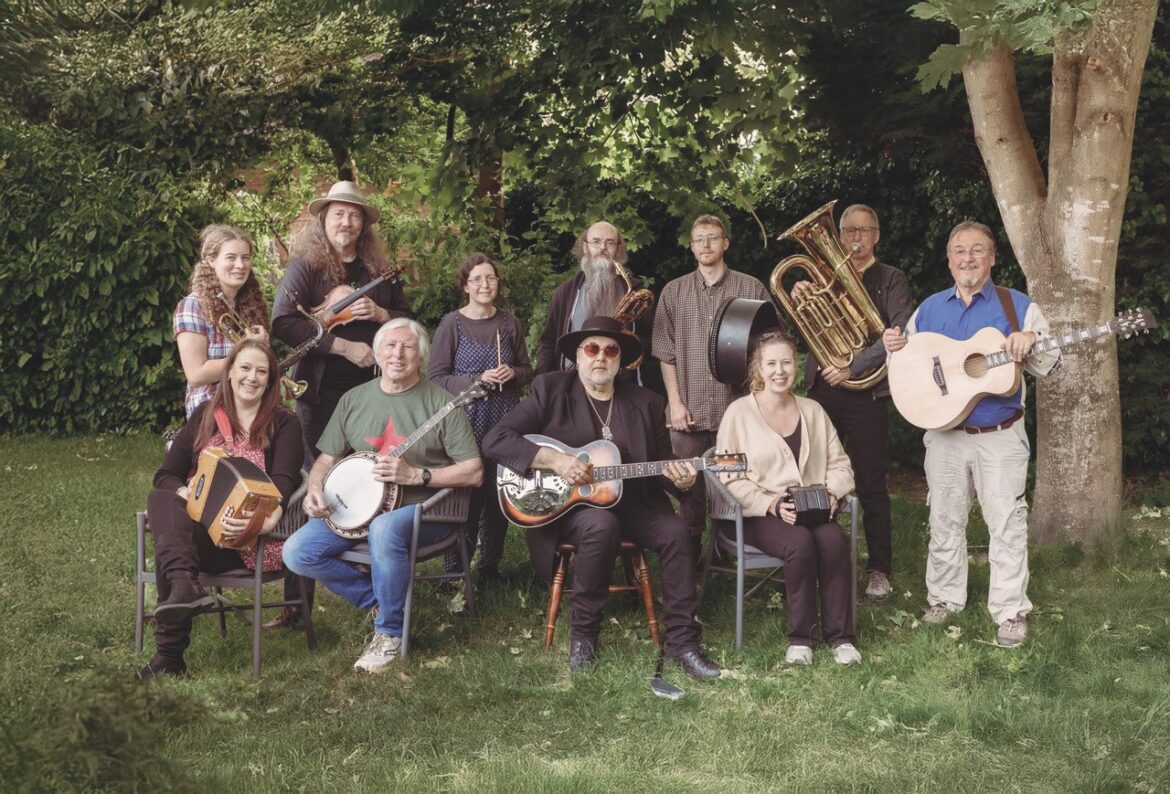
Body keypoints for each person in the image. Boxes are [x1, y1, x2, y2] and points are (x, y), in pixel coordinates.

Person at [483, 316, 721, 680]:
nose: (601, 358)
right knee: (601, 524)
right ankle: (584, 638)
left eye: (611, 351)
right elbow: (496, 439)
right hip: (573, 510)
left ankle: (682, 643)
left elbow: (662, 462)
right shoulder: (551, 390)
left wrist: (684, 481)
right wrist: (554, 459)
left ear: (620, 360)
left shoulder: (646, 402)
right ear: (577, 356)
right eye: (592, 349)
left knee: (674, 533)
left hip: (637, 504)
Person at [882, 220, 1060, 647]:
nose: (968, 258)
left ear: (992, 257)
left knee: (1006, 524)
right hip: (944, 435)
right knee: (944, 519)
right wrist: (893, 346)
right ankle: (944, 599)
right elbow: (905, 369)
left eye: (977, 250)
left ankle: (1010, 611)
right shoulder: (928, 309)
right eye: (960, 250)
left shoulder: (1017, 306)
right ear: (949, 260)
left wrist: (1031, 340)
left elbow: (1052, 363)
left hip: (999, 434)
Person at [282, 318, 483, 674]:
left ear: (421, 357)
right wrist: (315, 489)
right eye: (390, 346)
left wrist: (417, 474)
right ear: (376, 353)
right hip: (357, 510)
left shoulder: (443, 404)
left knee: (385, 529)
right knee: (297, 552)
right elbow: (325, 460)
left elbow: (474, 470)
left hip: (426, 512)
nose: (397, 354)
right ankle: (384, 602)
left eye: (407, 347)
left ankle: (390, 633)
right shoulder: (354, 399)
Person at [139, 341, 304, 679]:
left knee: (170, 540)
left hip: (250, 542)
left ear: (271, 380)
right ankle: (184, 585)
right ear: (229, 373)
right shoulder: (206, 417)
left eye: (261, 371)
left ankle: (169, 654)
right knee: (162, 501)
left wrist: (256, 522)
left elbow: (282, 485)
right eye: (244, 368)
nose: (252, 377)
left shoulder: (284, 423)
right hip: (202, 537)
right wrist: (186, 492)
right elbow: (165, 475)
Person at [789, 204, 913, 601]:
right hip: (823, 391)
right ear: (839, 237)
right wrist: (798, 299)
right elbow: (807, 329)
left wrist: (852, 366)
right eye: (848, 231)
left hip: (867, 392)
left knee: (872, 483)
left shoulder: (892, 278)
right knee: (810, 476)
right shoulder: (821, 277)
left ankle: (879, 569)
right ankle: (813, 560)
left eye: (864, 230)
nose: (856, 238)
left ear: (876, 235)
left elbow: (898, 332)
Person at [716, 332, 860, 666]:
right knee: (799, 543)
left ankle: (841, 638)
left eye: (786, 362)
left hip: (812, 510)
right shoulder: (739, 413)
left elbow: (841, 465)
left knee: (834, 540)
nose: (779, 371)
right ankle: (802, 640)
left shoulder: (813, 410)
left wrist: (832, 492)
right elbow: (728, 478)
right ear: (759, 368)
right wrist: (772, 505)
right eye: (771, 363)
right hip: (757, 515)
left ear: (796, 365)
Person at [271, 180, 414, 464]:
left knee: (365, 465)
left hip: (373, 389)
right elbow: (284, 322)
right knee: (322, 468)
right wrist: (344, 347)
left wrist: (382, 314)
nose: (346, 222)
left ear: (363, 225)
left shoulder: (380, 271)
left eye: (354, 215)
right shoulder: (306, 267)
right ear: (324, 219)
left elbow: (409, 320)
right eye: (339, 214)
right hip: (321, 393)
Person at [653, 214, 769, 550]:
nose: (706, 244)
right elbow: (665, 352)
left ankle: (732, 556)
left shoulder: (751, 289)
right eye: (699, 238)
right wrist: (674, 403)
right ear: (691, 246)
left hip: (737, 412)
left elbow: (769, 346)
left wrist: (757, 406)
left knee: (737, 486)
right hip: (687, 413)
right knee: (689, 490)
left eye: (713, 237)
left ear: (725, 243)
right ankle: (688, 564)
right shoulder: (673, 292)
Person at [427, 252, 533, 583]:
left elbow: (529, 371)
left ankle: (489, 569)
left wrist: (512, 373)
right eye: (477, 279)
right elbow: (435, 377)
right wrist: (477, 380)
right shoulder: (452, 324)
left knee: (496, 494)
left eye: (490, 278)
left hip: (504, 420)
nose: (485, 284)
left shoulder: (508, 323)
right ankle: (455, 574)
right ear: (465, 287)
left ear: (497, 284)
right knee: (466, 497)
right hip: (466, 421)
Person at [534, 220, 654, 382]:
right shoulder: (564, 293)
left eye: (609, 242)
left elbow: (653, 341)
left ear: (618, 249)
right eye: (596, 242)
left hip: (622, 386)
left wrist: (634, 341)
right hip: (572, 385)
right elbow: (548, 342)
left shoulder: (634, 293)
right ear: (585, 247)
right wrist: (542, 380)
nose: (602, 248)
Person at [174, 224, 269, 418]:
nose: (240, 265)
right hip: (211, 410)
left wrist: (263, 349)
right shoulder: (193, 305)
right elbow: (196, 374)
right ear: (211, 260)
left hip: (250, 405)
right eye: (231, 257)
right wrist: (246, 350)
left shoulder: (249, 305)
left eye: (245, 257)